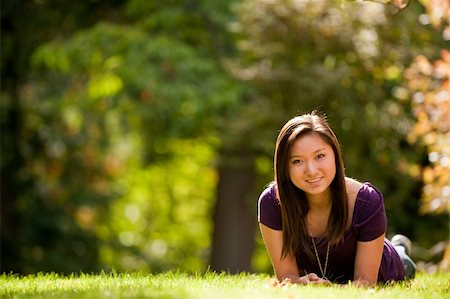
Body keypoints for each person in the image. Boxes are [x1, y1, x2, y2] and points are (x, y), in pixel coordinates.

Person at [257, 112, 416, 286]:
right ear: (284, 167)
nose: (311, 170)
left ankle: (400, 250)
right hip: (321, 275)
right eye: (297, 161)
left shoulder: (366, 200)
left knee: (404, 264)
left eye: (319, 156)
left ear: (335, 155)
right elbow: (286, 276)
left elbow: (365, 282)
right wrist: (301, 283)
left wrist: (331, 288)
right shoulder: (271, 202)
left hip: (384, 268)